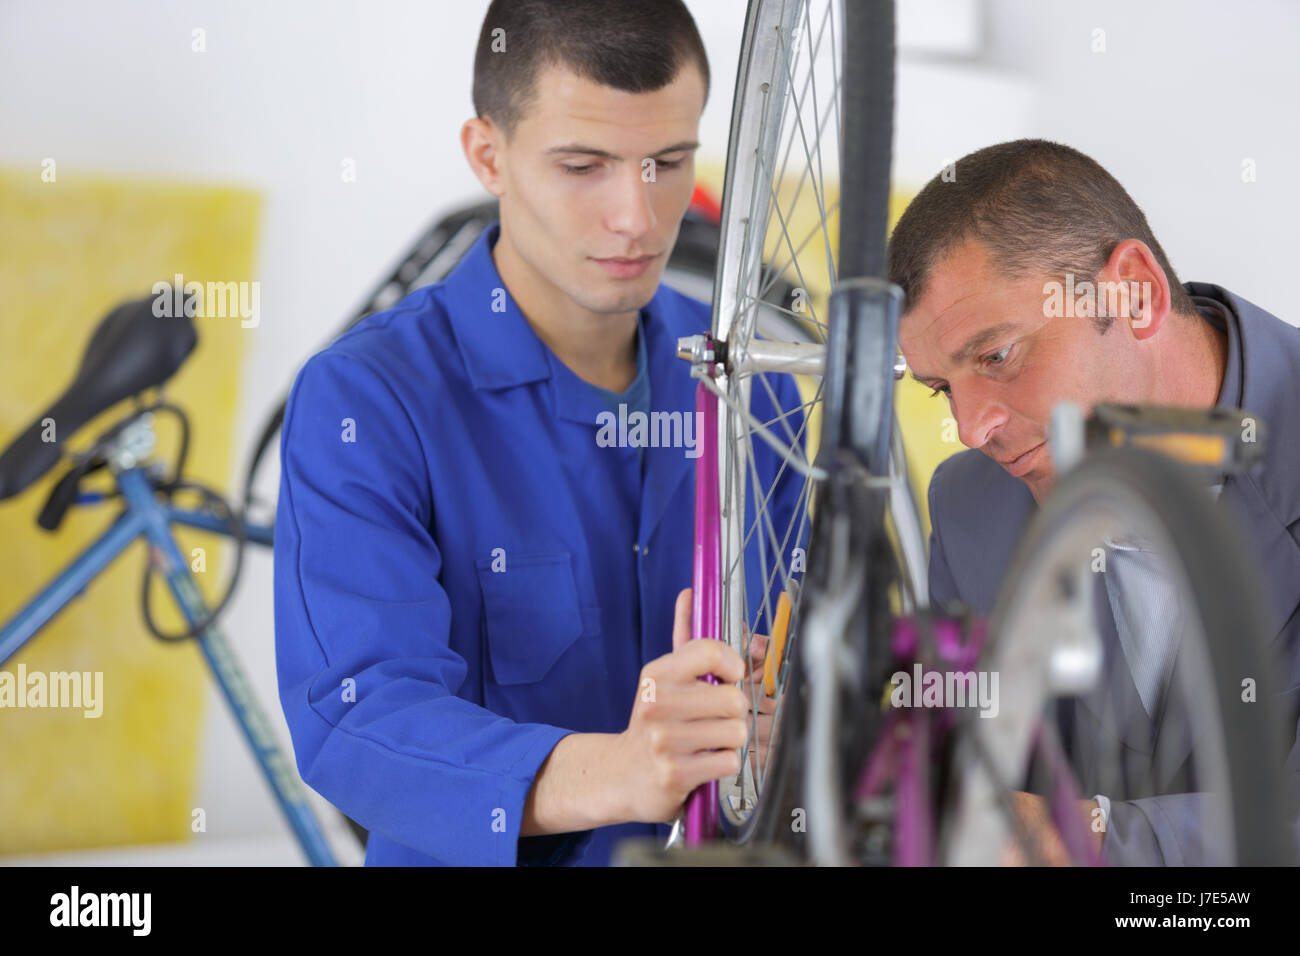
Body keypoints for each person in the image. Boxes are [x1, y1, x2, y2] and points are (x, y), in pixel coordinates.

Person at [272, 0, 804, 866]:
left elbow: (812, 656)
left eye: (668, 162)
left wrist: (796, 719)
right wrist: (625, 771)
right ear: (489, 154)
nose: (636, 217)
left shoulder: (753, 390)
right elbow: (359, 717)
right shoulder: (367, 400)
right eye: (584, 165)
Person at [892, 138, 1300, 864]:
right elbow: (968, 775)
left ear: (1133, 292)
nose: (970, 427)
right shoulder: (969, 507)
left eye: (997, 356)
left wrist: (1082, 837)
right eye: (941, 387)